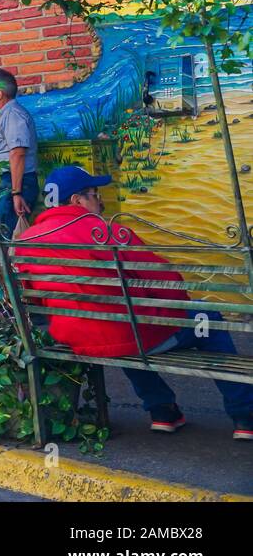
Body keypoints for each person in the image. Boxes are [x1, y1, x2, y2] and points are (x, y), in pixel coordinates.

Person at [16, 166, 253, 440]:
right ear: (76, 201)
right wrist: (174, 308)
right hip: (124, 333)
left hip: (79, 338)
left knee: (122, 321)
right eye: (95, 194)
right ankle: (245, 414)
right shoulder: (105, 232)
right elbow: (167, 281)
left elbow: (31, 296)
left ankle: (163, 410)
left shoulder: (27, 240)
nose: (100, 201)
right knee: (206, 319)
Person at [0, 68, 38, 239]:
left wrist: (16, 193)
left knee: (0, 240)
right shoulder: (5, 115)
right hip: (8, 183)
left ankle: (3, 267)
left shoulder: (13, 114)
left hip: (16, 183)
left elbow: (17, 153)